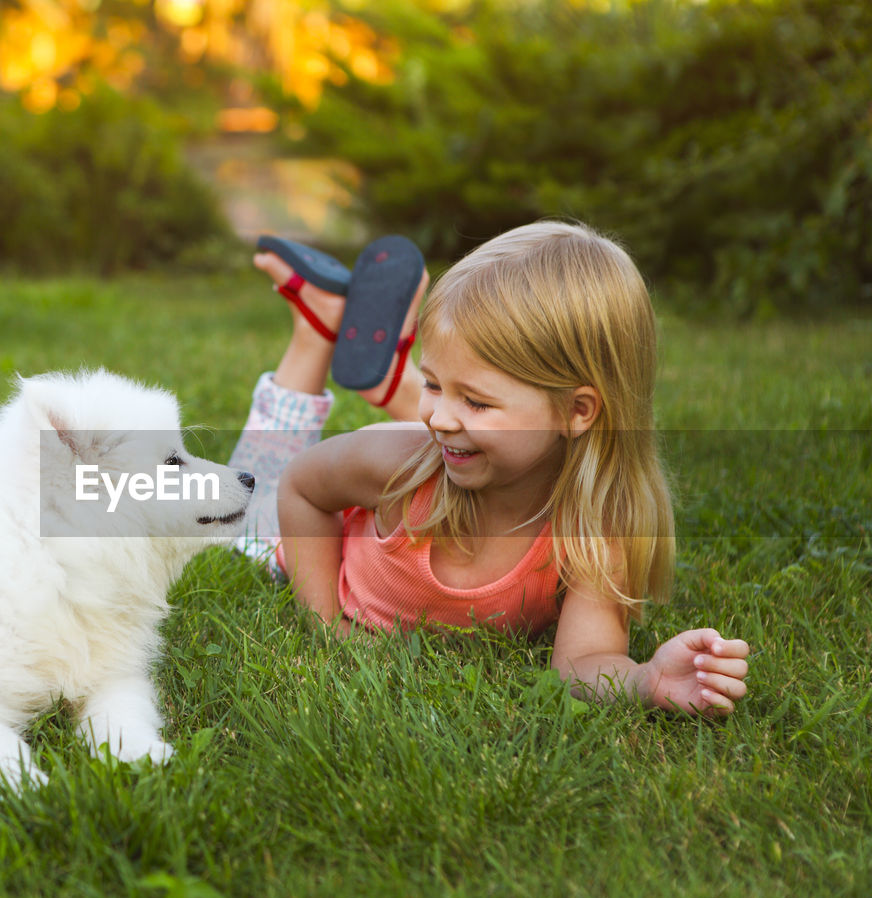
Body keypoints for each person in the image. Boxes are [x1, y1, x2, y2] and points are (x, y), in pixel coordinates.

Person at [229, 222, 750, 717]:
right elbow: (299, 485)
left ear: (578, 411)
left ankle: (374, 362)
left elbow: (580, 665)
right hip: (295, 538)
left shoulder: (594, 529)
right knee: (239, 512)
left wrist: (645, 679)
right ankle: (317, 331)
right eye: (432, 385)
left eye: (475, 399)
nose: (436, 414)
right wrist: (323, 624)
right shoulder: (396, 466)